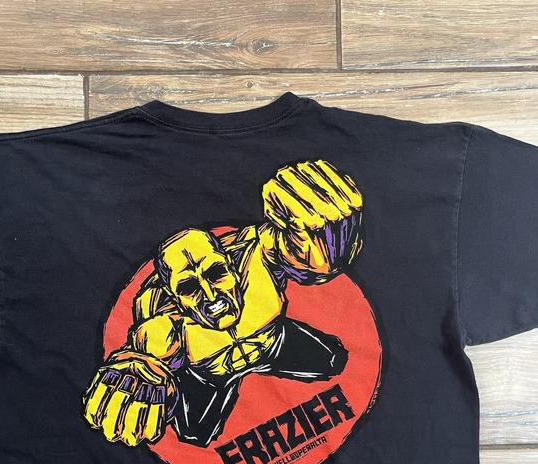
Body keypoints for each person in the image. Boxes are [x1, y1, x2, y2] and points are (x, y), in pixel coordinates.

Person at [82, 158, 363, 447]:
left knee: (336, 359)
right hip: (212, 378)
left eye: (216, 274)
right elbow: (149, 347)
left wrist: (326, 243)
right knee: (194, 436)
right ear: (175, 298)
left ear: (230, 264)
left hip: (272, 344)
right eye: (189, 287)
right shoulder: (165, 318)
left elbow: (305, 256)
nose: (211, 294)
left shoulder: (256, 257)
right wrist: (140, 371)